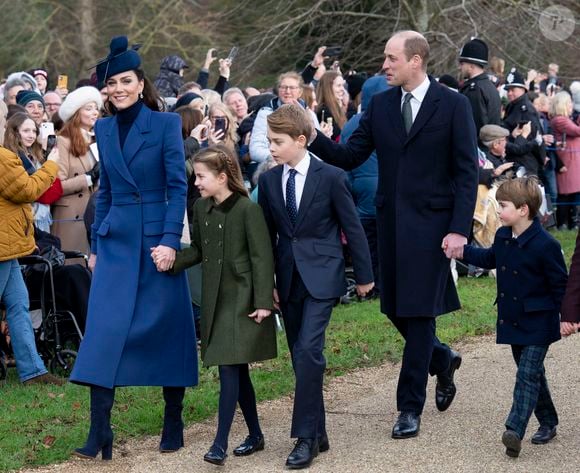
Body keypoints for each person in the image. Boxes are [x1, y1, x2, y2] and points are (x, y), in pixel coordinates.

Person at [308, 30, 478, 439]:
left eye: (391, 58)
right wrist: (312, 135)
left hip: (434, 229)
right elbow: (350, 156)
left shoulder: (453, 105)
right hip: (388, 227)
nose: (384, 65)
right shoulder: (381, 105)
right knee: (395, 309)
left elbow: (467, 172)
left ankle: (408, 407)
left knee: (418, 314)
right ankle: (442, 358)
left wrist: (459, 229)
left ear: (415, 60)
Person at [69, 35, 197, 460]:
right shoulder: (102, 128)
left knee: (166, 328)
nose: (119, 88)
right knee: (103, 333)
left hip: (155, 241)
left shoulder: (164, 124)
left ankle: (173, 417)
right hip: (116, 241)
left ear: (141, 83)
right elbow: (104, 189)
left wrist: (167, 242)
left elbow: (178, 187)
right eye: (112, 83)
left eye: (126, 80)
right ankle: (99, 429)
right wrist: (96, 242)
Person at [258, 104, 374, 469]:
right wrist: (268, 285)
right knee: (300, 356)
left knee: (309, 351)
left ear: (301, 140)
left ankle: (305, 437)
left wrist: (366, 276)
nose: (271, 148)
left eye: (277, 142)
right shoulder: (268, 181)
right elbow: (266, 240)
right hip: (287, 280)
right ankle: (319, 429)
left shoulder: (332, 176)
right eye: (268, 141)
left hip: (323, 277)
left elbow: (352, 227)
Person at [163, 145, 276, 466]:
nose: (195, 182)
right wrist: (171, 260)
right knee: (237, 371)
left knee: (229, 368)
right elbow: (198, 249)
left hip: (242, 300)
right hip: (216, 298)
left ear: (222, 177)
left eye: (201, 176)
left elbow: (261, 257)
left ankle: (219, 443)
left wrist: (263, 301)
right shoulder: (201, 208)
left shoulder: (246, 209)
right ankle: (255, 434)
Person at [460, 177, 567, 458]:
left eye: (503, 205)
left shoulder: (546, 245)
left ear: (523, 210)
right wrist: (461, 250)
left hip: (540, 321)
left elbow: (560, 285)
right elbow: (489, 259)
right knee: (533, 375)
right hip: (513, 319)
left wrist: (566, 317)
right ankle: (549, 422)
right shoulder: (504, 236)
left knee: (526, 375)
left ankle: (514, 430)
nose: (498, 210)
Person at [0, 139, 64, 385]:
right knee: (18, 307)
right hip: (4, 246)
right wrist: (51, 165)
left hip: (9, 245)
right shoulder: (3, 157)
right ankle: (32, 371)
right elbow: (27, 190)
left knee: (19, 306)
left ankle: (33, 371)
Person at [51, 86, 102, 256]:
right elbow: (58, 184)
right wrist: (89, 177)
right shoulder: (63, 141)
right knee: (73, 268)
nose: (95, 112)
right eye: (88, 108)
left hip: (95, 212)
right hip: (71, 215)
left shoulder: (99, 139)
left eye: (96, 108)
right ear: (75, 113)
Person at [3, 112, 58, 232]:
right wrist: (50, 164)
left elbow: (54, 188)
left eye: (34, 131)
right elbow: (28, 190)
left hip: (42, 218)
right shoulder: (10, 158)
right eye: (26, 131)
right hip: (23, 222)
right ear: (14, 132)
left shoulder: (35, 155)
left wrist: (47, 157)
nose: (31, 135)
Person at [249, 71, 319, 164]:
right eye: (283, 87)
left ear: (300, 92)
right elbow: (256, 149)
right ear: (278, 90)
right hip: (274, 164)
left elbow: (317, 146)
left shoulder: (309, 114)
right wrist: (284, 159)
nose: (287, 91)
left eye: (292, 88)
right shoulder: (266, 113)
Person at [502, 68, 545, 177]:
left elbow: (532, 139)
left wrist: (541, 159)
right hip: (515, 159)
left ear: (523, 89)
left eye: (513, 90)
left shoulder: (526, 110)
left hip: (525, 162)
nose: (510, 93)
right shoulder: (512, 106)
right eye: (508, 90)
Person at [458, 38, 502, 135]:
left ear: (471, 66)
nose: (459, 67)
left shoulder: (475, 90)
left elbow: (474, 126)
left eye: (462, 64)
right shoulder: (489, 86)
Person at [550, 92, 580, 230]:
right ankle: (563, 223)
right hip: (567, 162)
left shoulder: (563, 119)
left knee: (572, 193)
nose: (571, 106)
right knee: (566, 194)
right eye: (568, 103)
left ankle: (571, 223)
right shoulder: (560, 120)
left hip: (572, 161)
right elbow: (577, 131)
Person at [315, 71, 347, 140]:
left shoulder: (336, 108)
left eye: (343, 85)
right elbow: (337, 135)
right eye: (339, 85)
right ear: (328, 88)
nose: (343, 89)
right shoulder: (324, 111)